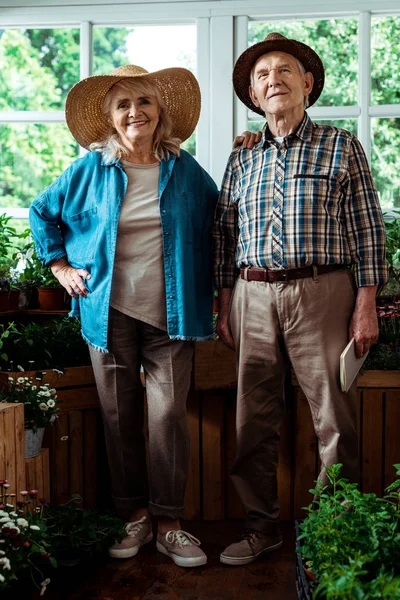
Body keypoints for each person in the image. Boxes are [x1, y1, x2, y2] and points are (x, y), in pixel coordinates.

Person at [29, 64, 219, 568]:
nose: (135, 112)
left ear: (160, 113)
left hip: (171, 317)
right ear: (112, 120)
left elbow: (221, 220)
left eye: (145, 103)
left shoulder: (186, 172)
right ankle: (133, 514)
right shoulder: (89, 169)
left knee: (168, 417)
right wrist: (61, 266)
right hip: (106, 313)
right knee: (118, 417)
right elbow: (41, 211)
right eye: (123, 105)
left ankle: (170, 522)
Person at [213, 32, 388, 566]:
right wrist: (224, 299)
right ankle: (260, 528)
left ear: (307, 84)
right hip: (252, 295)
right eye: (263, 75)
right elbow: (224, 231)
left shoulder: (340, 144)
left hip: (324, 291)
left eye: (285, 71)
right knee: (253, 419)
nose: (274, 80)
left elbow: (367, 228)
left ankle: (336, 532)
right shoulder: (240, 157)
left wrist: (366, 302)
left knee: (333, 418)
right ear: (253, 94)